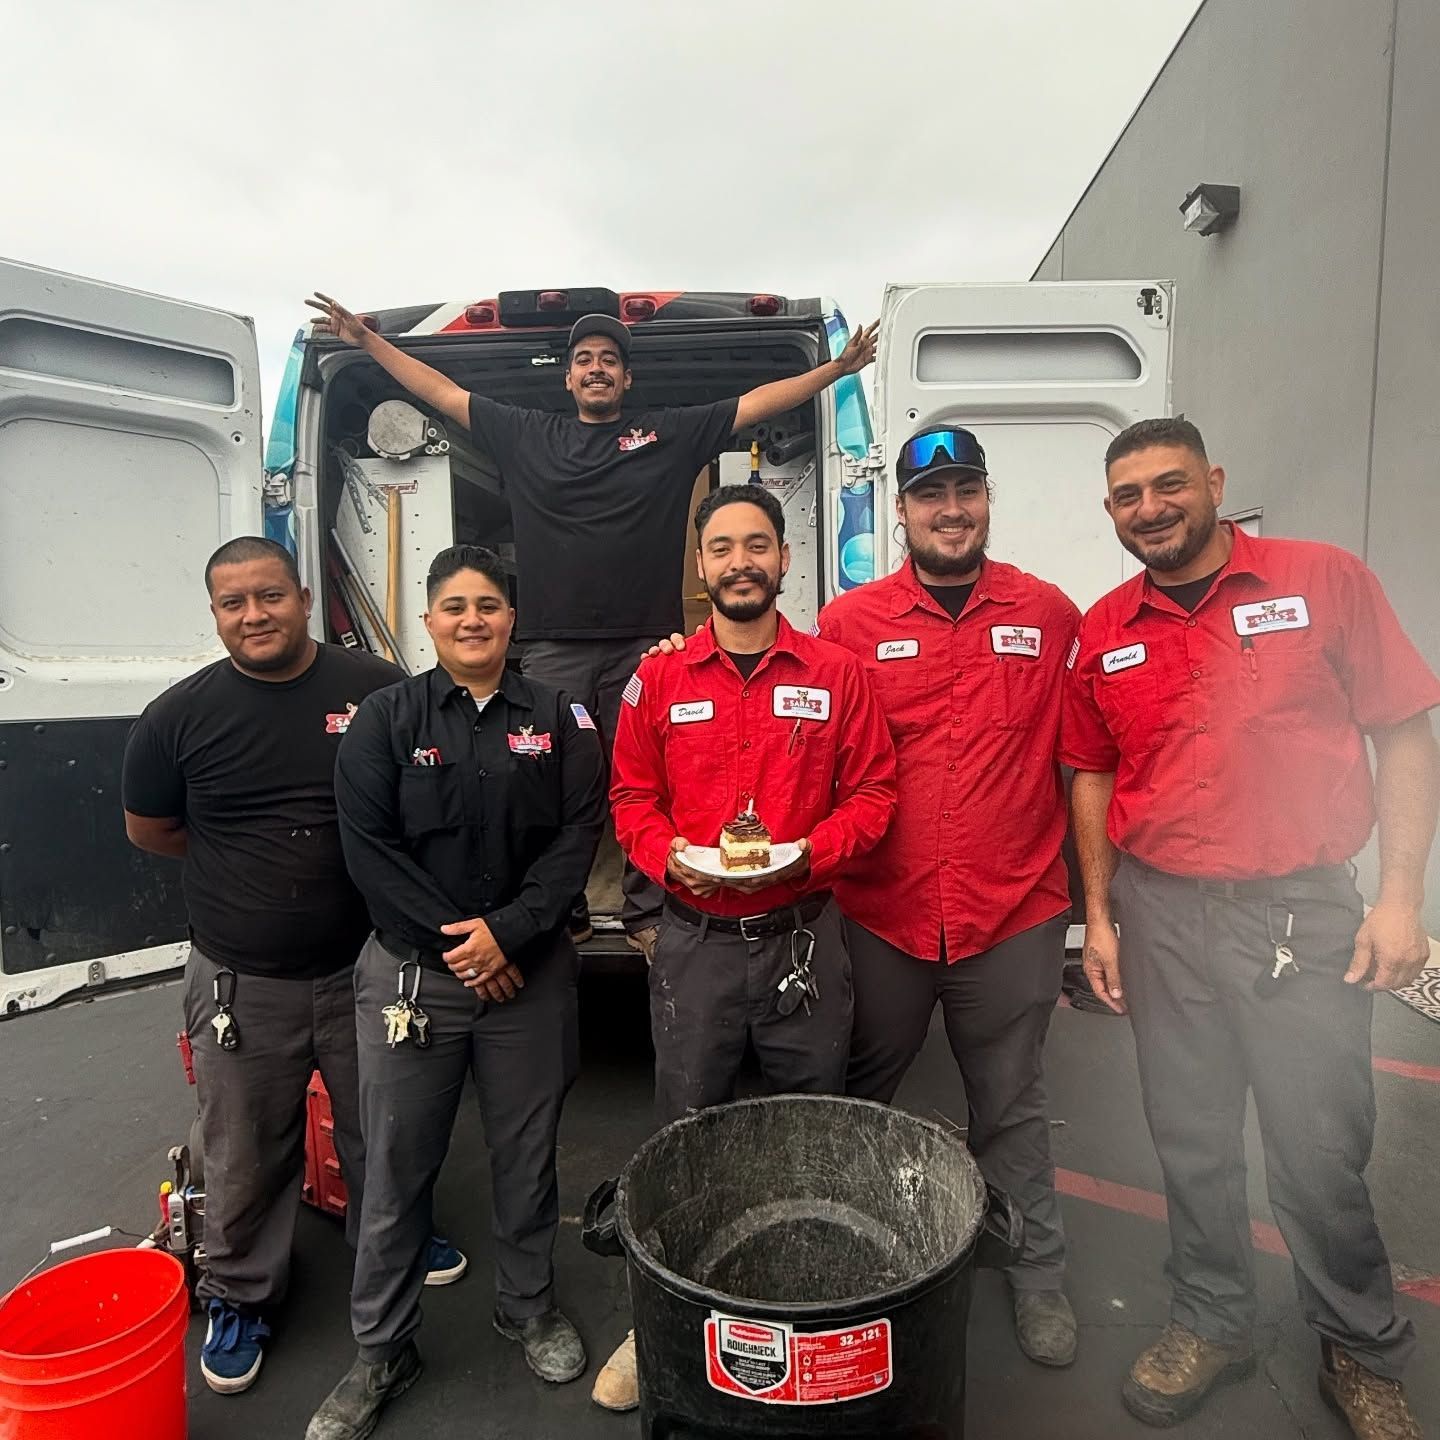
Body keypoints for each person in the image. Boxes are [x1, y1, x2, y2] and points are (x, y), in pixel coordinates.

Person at [1062, 418, 1440, 1437]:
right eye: (1129, 494)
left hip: (1303, 914)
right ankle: (1213, 1320)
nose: (1151, 508)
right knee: (1190, 1139)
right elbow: (1092, 771)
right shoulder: (1104, 628)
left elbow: (1405, 726)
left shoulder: (1322, 581)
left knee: (1318, 1145)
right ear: (1111, 512)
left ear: (1214, 481)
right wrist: (1098, 918)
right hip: (1161, 911)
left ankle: (1358, 1350)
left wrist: (1402, 898)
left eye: (1169, 484)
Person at [305, 290, 876, 955]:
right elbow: (440, 391)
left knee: (653, 781)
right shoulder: (525, 433)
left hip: (644, 647)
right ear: (568, 375)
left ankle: (644, 911)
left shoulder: (667, 432)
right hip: (552, 651)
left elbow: (755, 404)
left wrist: (835, 371)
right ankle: (563, 907)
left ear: (626, 377)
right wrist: (368, 342)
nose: (597, 368)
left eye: (609, 359)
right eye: (585, 360)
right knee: (548, 782)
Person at [120, 536, 466, 1397]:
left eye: (269, 597)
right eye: (233, 603)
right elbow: (152, 831)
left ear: (304, 597)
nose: (253, 616)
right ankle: (239, 1292)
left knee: (382, 1125)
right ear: (214, 614)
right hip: (243, 980)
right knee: (243, 1151)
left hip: (371, 969)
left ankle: (395, 1236)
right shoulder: (177, 717)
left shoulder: (376, 689)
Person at [593, 484, 897, 1410]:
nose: (739, 562)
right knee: (687, 1132)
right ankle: (664, 1322)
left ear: (782, 560)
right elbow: (630, 801)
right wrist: (665, 854)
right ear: (700, 566)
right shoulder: (660, 680)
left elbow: (876, 795)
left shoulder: (839, 674)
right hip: (696, 947)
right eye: (720, 547)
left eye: (756, 544)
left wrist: (816, 850)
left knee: (811, 1128)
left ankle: (808, 1309)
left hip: (804, 941)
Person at [306, 544, 606, 1440]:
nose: (472, 619)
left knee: (527, 1156)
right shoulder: (383, 721)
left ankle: (528, 1307)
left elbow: (577, 837)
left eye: (488, 605)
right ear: (428, 621)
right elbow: (369, 853)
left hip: (530, 978)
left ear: (512, 621)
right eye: (454, 606)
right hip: (414, 981)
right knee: (394, 1168)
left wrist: (507, 934)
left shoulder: (562, 718)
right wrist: (467, 948)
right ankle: (382, 1350)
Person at [815, 424, 1081, 1368]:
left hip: (1012, 911)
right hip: (879, 912)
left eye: (966, 490)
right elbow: (812, 740)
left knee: (1010, 1103)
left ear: (987, 500)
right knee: (860, 1095)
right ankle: (841, 1257)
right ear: (901, 512)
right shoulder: (848, 625)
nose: (951, 510)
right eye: (931, 496)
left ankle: (1037, 1275)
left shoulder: (1049, 614)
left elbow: (1086, 752)